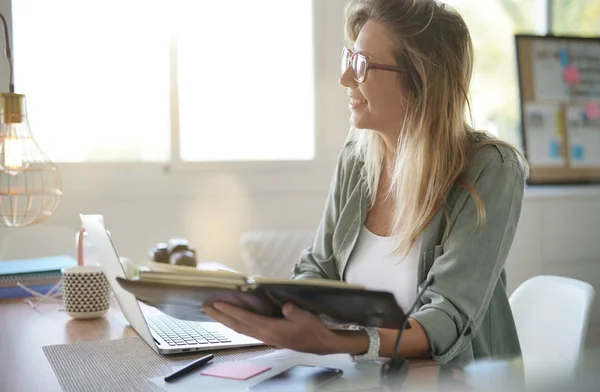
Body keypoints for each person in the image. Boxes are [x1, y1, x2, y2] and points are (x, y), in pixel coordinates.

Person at [203, 0, 528, 366]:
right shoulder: (357, 159)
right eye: (349, 59)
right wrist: (274, 308)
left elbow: (446, 318)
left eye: (362, 66)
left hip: (459, 385)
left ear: (420, 80)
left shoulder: (492, 168)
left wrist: (338, 340)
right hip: (363, 380)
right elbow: (319, 266)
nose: (345, 79)